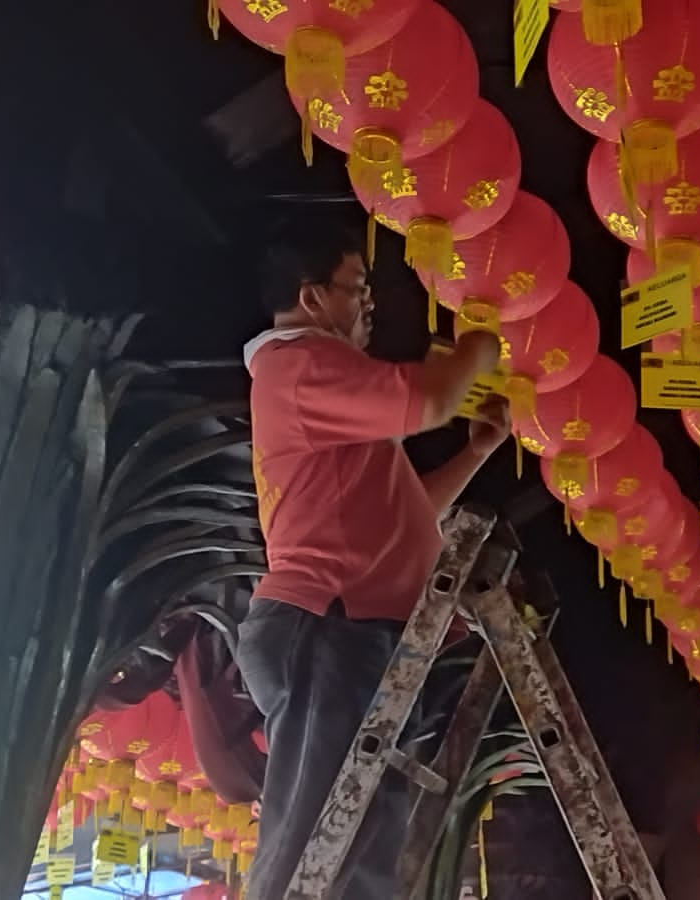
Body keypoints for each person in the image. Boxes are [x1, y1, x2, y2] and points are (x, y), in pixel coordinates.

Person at [238, 221, 507, 900]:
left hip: (350, 626)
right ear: (312, 297)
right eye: (358, 288)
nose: (369, 305)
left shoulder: (317, 385)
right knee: (313, 847)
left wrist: (473, 453)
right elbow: (427, 399)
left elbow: (413, 510)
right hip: (330, 624)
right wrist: (479, 345)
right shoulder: (299, 362)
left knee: (353, 843)